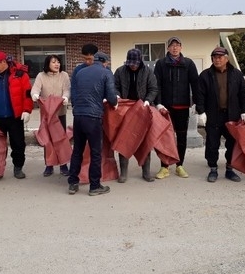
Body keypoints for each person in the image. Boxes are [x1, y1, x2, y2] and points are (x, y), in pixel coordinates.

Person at [196, 46, 245, 183]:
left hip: (232, 115)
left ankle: (230, 169)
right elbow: (199, 95)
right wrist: (201, 111)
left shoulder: (236, 75)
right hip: (213, 115)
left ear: (226, 59)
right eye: (214, 57)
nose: (217, 60)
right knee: (212, 144)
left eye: (220, 57)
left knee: (232, 143)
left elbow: (244, 95)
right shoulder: (205, 75)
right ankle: (213, 169)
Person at [67, 48, 118, 196]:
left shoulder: (80, 72)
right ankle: (94, 186)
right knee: (96, 152)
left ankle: (72, 183)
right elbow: (112, 97)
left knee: (77, 150)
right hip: (93, 117)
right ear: (104, 62)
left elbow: (75, 93)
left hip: (78, 116)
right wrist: (113, 102)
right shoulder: (106, 72)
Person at [0, 51, 33, 180]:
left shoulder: (20, 75)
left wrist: (27, 110)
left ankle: (18, 167)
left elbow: (27, 94)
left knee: (18, 144)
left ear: (3, 62)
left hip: (14, 116)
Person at [153, 36, 199, 179]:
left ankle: (180, 165)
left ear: (181, 47)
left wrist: (197, 104)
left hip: (183, 107)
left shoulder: (188, 64)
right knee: (165, 137)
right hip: (165, 108)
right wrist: (158, 103)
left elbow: (195, 84)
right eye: (172, 45)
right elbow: (156, 85)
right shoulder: (160, 64)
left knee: (181, 137)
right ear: (167, 48)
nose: (174, 48)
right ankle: (164, 166)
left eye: (177, 45)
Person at [113, 48, 158, 182]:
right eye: (130, 63)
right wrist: (116, 96)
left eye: (135, 63)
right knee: (124, 139)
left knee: (144, 141)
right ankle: (124, 173)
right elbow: (114, 85)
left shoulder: (148, 72)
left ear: (140, 62)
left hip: (142, 109)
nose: (133, 66)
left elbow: (153, 88)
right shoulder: (120, 71)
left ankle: (146, 172)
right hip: (125, 109)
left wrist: (148, 101)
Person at [31, 54, 71, 177]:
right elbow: (35, 89)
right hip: (47, 115)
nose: (57, 64)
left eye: (58, 62)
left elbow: (67, 89)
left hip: (60, 113)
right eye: (53, 62)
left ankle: (63, 164)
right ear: (47, 64)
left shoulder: (64, 75)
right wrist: (35, 95)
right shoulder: (41, 76)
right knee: (47, 140)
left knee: (61, 139)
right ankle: (49, 165)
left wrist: (65, 97)